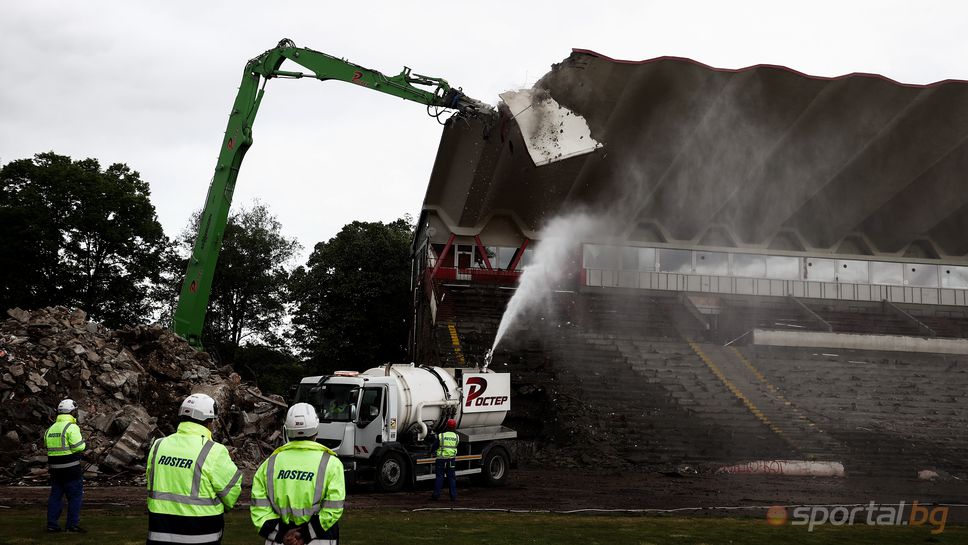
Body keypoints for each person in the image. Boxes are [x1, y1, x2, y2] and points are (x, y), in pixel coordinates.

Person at [145, 393, 242, 545]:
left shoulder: (158, 445)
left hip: (159, 532)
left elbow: (152, 482)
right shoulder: (214, 451)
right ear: (209, 421)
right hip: (202, 534)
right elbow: (231, 493)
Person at [251, 403, 345, 545]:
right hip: (319, 539)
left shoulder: (269, 464)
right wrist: (305, 534)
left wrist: (282, 534)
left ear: (287, 430)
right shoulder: (331, 463)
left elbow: (259, 509)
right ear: (316, 429)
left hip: (281, 540)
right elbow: (333, 508)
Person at [45, 398, 86, 533]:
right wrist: (85, 444)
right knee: (75, 497)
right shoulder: (71, 427)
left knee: (55, 496)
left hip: (55, 470)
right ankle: (72, 525)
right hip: (71, 469)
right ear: (72, 412)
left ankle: (52, 525)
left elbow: (47, 447)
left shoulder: (50, 429)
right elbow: (78, 447)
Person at [430, 418, 459, 501]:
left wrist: (432, 452)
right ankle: (453, 496)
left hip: (441, 459)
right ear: (454, 427)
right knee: (451, 478)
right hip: (451, 460)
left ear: (447, 426)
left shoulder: (441, 436)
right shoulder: (456, 437)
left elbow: (435, 446)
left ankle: (436, 495)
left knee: (440, 477)